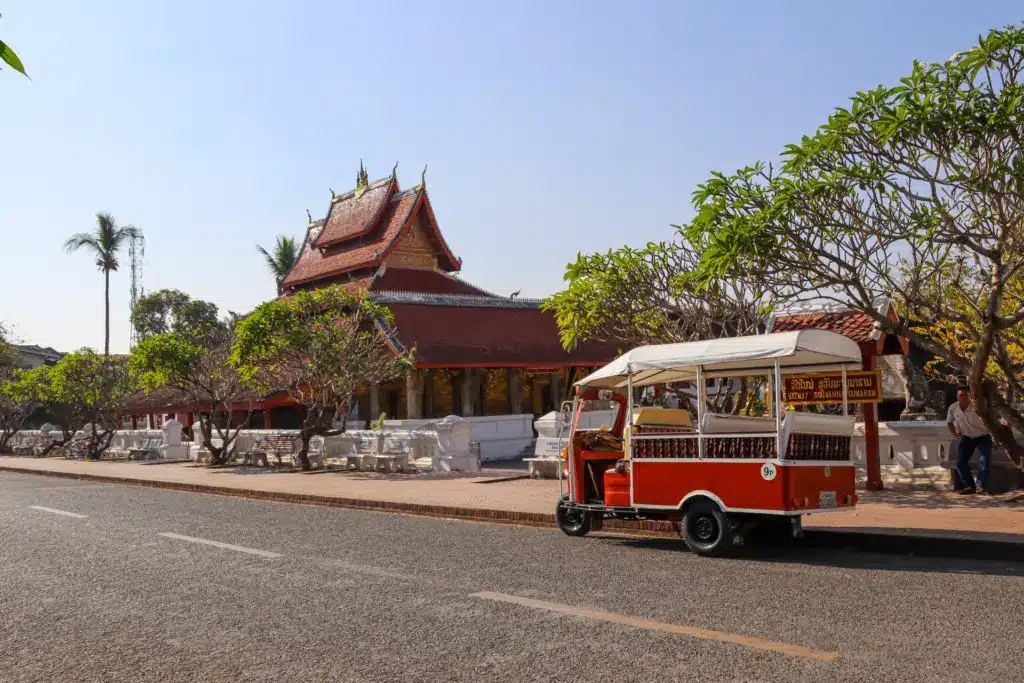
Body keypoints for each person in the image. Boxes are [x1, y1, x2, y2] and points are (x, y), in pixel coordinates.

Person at [946, 386, 993, 495]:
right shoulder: (953, 408)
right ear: (957, 396)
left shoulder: (977, 407)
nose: (962, 397)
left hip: (983, 435)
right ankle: (969, 486)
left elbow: (990, 420)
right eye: (960, 395)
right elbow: (949, 423)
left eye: (965, 395)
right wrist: (954, 434)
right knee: (960, 462)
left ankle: (980, 486)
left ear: (970, 396)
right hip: (967, 437)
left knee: (984, 461)